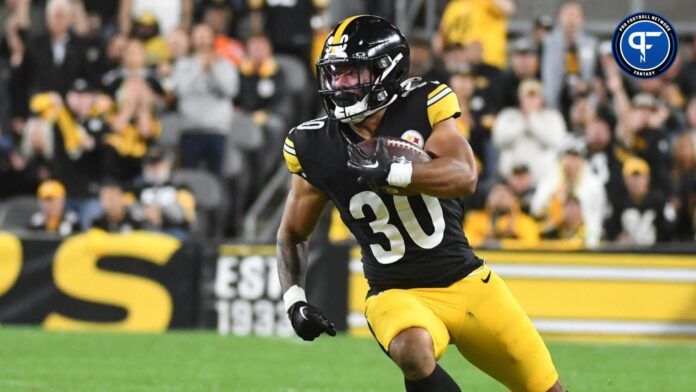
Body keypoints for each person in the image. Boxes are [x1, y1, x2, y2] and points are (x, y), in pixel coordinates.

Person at [276, 15, 564, 392]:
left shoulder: (423, 104)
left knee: (546, 388)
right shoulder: (313, 145)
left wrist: (396, 173)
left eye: (351, 73)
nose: (339, 84)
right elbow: (293, 232)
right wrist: (295, 299)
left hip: (467, 282)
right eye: (335, 74)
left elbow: (465, 176)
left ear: (386, 71)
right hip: (394, 293)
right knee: (412, 349)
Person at [604, 157, 676, 246]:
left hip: (656, 255)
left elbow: (669, 228)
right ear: (625, 179)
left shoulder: (659, 200)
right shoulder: (618, 202)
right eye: (632, 177)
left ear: (647, 177)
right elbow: (610, 228)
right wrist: (617, 238)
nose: (636, 181)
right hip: (627, 256)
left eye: (639, 177)